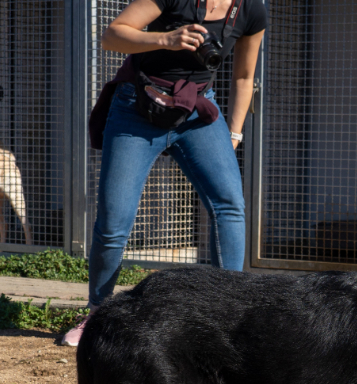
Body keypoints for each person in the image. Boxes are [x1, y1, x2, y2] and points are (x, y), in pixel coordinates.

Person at [60, 0, 266, 346]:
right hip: (137, 106)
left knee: (229, 205)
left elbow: (244, 77)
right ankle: (97, 314)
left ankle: (230, 317)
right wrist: (166, 39)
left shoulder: (251, 11)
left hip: (197, 111)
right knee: (113, 222)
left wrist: (234, 133)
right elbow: (112, 35)